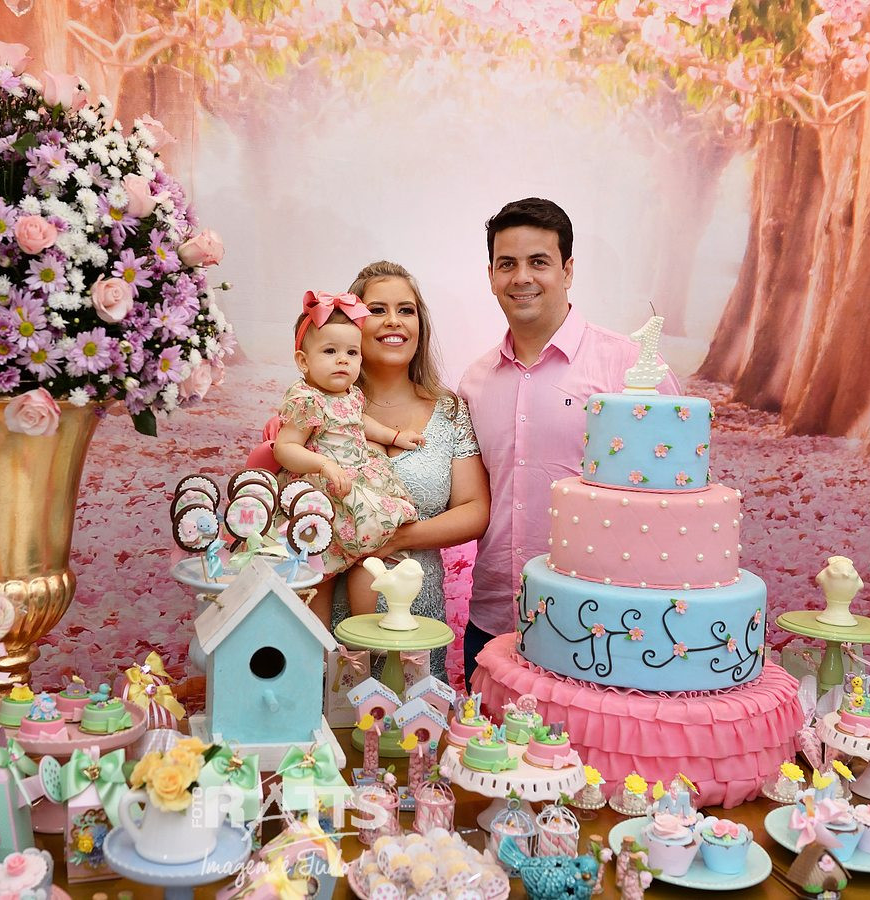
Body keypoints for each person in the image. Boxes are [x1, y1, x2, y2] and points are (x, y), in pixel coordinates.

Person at [459, 198, 680, 686]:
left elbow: (677, 495)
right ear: (491, 275)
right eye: (507, 264)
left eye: (538, 261)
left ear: (568, 270)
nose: (522, 277)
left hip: (602, 627)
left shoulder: (631, 371)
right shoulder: (474, 382)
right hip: (493, 620)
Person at [333, 261, 491, 683]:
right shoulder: (325, 408)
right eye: (377, 310)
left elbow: (474, 509)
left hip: (418, 618)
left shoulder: (449, 410)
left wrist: (397, 538)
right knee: (337, 716)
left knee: (413, 720)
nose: (393, 321)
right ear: (351, 323)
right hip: (336, 614)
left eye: (406, 310)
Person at [273, 290, 426, 626]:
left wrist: (394, 436)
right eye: (330, 351)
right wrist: (323, 464)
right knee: (318, 569)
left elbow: (360, 422)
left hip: (354, 482)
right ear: (303, 361)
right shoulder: (307, 398)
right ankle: (318, 641)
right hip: (322, 493)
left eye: (352, 352)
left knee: (367, 558)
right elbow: (285, 447)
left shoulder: (351, 394)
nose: (343, 360)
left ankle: (362, 631)